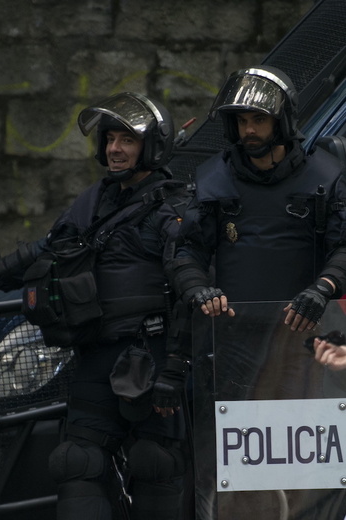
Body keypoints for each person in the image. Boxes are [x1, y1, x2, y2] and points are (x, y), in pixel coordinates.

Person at [0, 92, 192, 520]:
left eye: (126, 140)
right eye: (110, 138)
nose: (114, 148)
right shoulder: (94, 202)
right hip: (94, 354)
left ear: (151, 147)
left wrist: (175, 367)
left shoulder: (174, 207)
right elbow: (44, 249)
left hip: (149, 358)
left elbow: (193, 283)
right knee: (76, 462)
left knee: (156, 463)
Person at [167, 66, 346, 519]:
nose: (248, 130)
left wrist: (323, 289)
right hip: (231, 349)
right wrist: (198, 289)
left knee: (308, 471)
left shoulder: (326, 175)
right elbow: (184, 249)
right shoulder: (213, 180)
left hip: (305, 346)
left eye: (258, 120)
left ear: (282, 121)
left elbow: (344, 247)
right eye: (242, 121)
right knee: (231, 473)